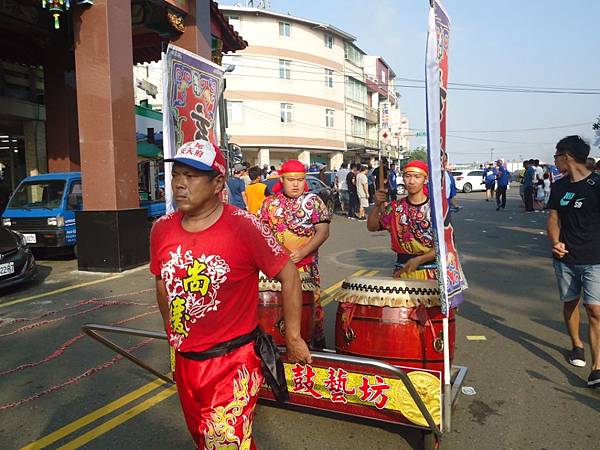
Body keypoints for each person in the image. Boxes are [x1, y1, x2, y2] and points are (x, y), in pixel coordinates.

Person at [150, 140, 311, 447]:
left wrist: (293, 336)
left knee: (222, 442)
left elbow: (289, 276)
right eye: (176, 175)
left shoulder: (245, 227)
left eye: (192, 176)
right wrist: (172, 337)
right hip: (186, 361)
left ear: (218, 183)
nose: (180, 184)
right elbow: (162, 283)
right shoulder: (162, 228)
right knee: (207, 439)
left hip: (232, 362)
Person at [258, 160, 331, 348]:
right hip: (276, 267)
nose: (296, 184)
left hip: (305, 267)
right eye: (291, 180)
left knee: (311, 310)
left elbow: (323, 232)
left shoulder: (313, 202)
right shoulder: (269, 204)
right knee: (275, 308)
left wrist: (302, 252)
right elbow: (262, 234)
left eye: (300, 179)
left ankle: (313, 346)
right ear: (282, 179)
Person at [547, 135, 600, 388]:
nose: (555, 160)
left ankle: (597, 368)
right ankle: (577, 345)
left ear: (566, 155)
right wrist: (555, 242)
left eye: (556, 155)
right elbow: (554, 219)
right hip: (566, 259)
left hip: (595, 259)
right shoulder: (559, 187)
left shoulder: (597, 184)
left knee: (595, 311)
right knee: (571, 303)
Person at [367, 160, 436, 280]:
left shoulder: (436, 209)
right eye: (408, 176)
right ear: (403, 179)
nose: (411, 181)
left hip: (431, 272)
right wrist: (377, 206)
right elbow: (372, 227)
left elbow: (446, 245)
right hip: (402, 270)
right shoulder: (394, 207)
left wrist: (419, 260)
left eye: (417, 177)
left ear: (425, 180)